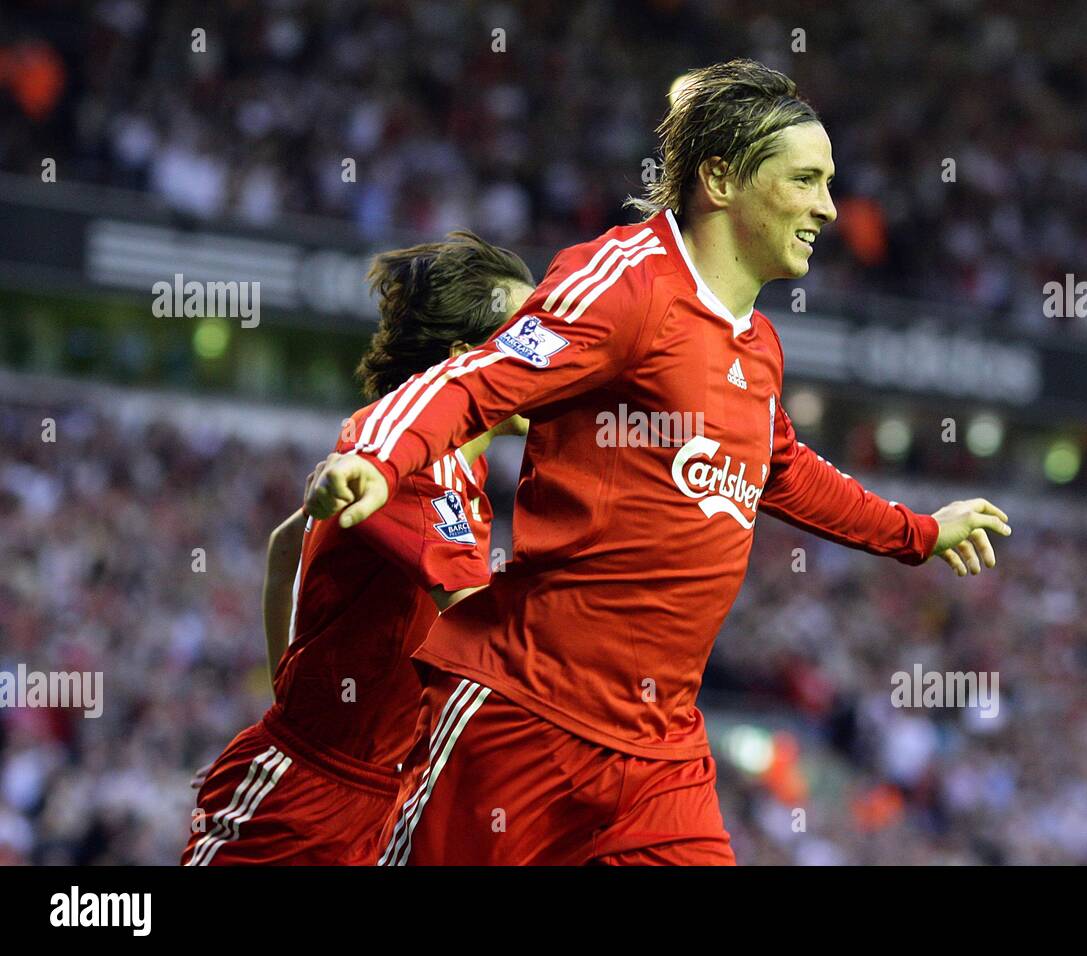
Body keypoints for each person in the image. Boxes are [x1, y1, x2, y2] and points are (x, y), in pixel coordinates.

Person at [306, 59, 1011, 866]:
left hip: (660, 754)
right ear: (720, 178)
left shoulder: (757, 345)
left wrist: (917, 531)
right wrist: (376, 455)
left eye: (829, 182)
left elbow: (780, 467)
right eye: (806, 180)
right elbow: (476, 382)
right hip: (525, 712)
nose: (827, 206)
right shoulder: (627, 285)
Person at [182, 232, 534, 865]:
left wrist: (289, 694)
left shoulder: (460, 472)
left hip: (377, 798)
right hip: (306, 797)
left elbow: (284, 545)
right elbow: (482, 636)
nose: (547, 352)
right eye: (525, 335)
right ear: (463, 358)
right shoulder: (418, 468)